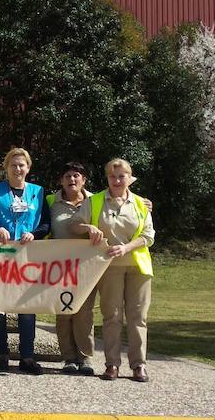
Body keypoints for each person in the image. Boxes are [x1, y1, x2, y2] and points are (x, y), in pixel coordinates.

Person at [71, 158, 155, 383]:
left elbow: (148, 236)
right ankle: (112, 364)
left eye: (121, 176)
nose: (117, 180)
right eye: (112, 176)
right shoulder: (95, 200)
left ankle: (139, 365)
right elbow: (74, 224)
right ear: (107, 177)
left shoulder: (139, 203)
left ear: (129, 178)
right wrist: (88, 227)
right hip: (108, 268)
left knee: (138, 317)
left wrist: (126, 247)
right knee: (112, 316)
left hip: (138, 267)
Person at [0, 147, 50, 374]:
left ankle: (27, 356)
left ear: (28, 168)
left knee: (27, 307)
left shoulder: (38, 192)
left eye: (22, 165)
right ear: (6, 168)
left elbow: (46, 223)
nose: (17, 169)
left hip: (26, 257)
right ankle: (2, 353)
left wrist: (35, 233)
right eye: (13, 165)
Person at [46, 162, 97, 376]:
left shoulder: (96, 201)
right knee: (64, 313)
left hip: (87, 267)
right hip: (59, 266)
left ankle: (85, 358)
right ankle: (68, 358)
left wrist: (144, 203)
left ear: (83, 180)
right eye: (67, 176)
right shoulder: (50, 201)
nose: (72, 179)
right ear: (61, 180)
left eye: (77, 175)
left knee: (84, 313)